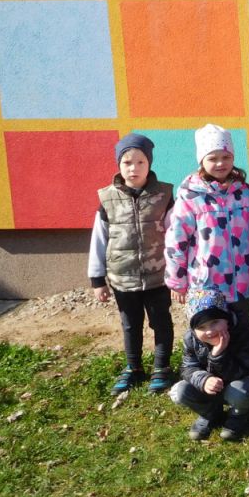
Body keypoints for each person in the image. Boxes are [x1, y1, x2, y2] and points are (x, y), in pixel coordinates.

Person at [88, 133, 176, 395]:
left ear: (149, 164)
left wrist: (178, 272)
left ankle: (161, 367)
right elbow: (99, 239)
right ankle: (134, 367)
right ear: (119, 165)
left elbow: (175, 235)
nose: (133, 168)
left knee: (161, 322)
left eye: (140, 162)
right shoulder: (107, 198)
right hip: (123, 278)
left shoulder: (164, 195)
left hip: (158, 276)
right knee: (130, 324)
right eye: (127, 162)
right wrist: (97, 279)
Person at [165, 124, 249, 344]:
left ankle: (246, 363)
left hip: (243, 281)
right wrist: (177, 280)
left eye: (226, 157)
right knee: (210, 335)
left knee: (243, 331)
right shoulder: (191, 196)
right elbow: (177, 239)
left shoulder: (246, 193)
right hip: (207, 284)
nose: (220, 163)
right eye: (213, 158)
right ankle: (209, 364)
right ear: (202, 160)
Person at [169, 290, 249, 441]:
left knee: (241, 391)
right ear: (194, 329)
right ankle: (210, 413)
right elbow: (187, 367)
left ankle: (238, 414)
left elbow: (246, 369)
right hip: (209, 388)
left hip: (236, 383)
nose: (209, 331)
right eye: (201, 327)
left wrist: (218, 355)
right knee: (180, 391)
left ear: (226, 318)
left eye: (214, 322)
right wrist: (204, 380)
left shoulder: (241, 332)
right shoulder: (190, 339)